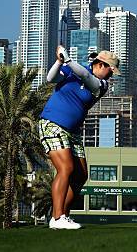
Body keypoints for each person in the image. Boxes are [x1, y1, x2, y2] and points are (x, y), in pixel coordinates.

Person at [39, 45, 120, 230]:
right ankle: (57, 217)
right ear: (101, 64)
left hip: (72, 131)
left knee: (80, 175)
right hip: (52, 123)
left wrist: (67, 60)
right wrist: (60, 61)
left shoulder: (101, 85)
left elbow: (85, 76)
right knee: (66, 168)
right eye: (110, 70)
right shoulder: (73, 69)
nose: (111, 75)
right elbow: (50, 78)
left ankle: (63, 216)